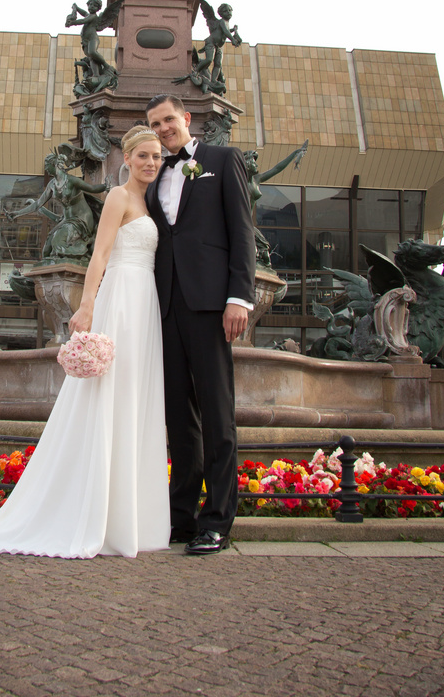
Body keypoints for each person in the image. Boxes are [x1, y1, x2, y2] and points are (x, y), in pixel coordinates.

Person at [0, 126, 170, 558]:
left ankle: (128, 517)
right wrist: (87, 306)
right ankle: (94, 514)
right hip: (120, 299)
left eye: (157, 156)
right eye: (144, 156)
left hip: (145, 302)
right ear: (127, 158)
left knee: (135, 398)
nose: (151, 162)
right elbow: (99, 253)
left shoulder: (149, 201)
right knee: (108, 396)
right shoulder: (117, 197)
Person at [145, 94, 257, 555]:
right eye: (155, 124)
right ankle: (182, 516)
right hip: (165, 305)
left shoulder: (222, 160)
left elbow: (242, 231)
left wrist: (239, 298)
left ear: (186, 119)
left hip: (213, 305)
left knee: (215, 413)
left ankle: (217, 520)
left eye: (169, 119)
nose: (163, 128)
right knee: (178, 417)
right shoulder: (152, 178)